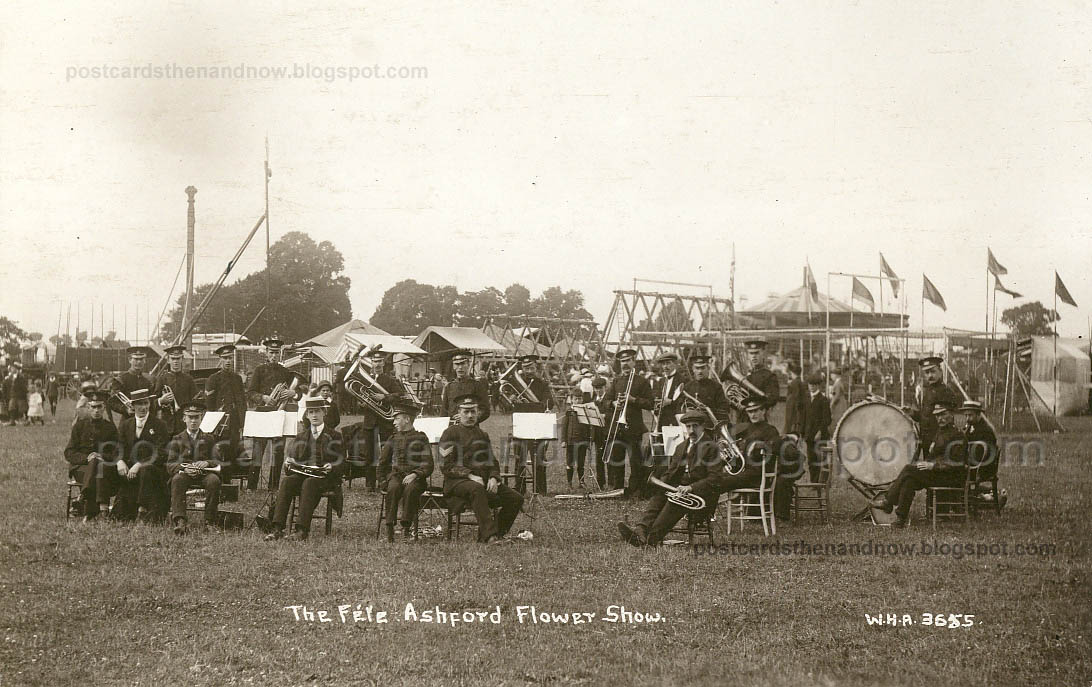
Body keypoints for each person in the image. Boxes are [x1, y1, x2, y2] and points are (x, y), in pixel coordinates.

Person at [617, 408, 724, 546]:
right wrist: (661, 484)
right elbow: (671, 471)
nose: (691, 430)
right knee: (660, 495)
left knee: (676, 500)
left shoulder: (711, 447)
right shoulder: (681, 446)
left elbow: (715, 478)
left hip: (702, 493)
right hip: (680, 488)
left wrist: (691, 487)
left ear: (702, 426)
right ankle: (640, 530)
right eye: (688, 426)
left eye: (695, 426)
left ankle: (650, 539)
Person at [439, 394, 523, 544]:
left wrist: (493, 477)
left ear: (478, 413)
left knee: (516, 498)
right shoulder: (450, 433)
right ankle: (490, 536)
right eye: (466, 412)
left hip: (482, 480)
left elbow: (492, 461)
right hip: (457, 483)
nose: (470, 415)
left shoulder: (482, 434)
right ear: (458, 413)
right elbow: (446, 466)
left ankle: (498, 532)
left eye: (473, 411)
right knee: (476, 489)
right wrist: (470, 476)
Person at [263, 397, 346, 541]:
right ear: (307, 415)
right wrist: (289, 463)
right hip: (303, 475)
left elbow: (343, 463)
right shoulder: (301, 436)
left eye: (317, 412)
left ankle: (301, 530)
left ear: (324, 412)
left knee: (309, 483)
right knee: (287, 481)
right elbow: (291, 467)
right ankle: (277, 528)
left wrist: (332, 467)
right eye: (311, 412)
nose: (314, 415)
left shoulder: (335, 436)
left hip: (325, 479)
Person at [873, 403, 967, 527]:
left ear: (952, 414)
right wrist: (925, 463)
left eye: (943, 414)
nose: (940, 418)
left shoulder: (957, 435)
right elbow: (934, 455)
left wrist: (933, 466)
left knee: (908, 469)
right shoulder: (940, 432)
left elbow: (957, 463)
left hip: (950, 477)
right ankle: (900, 519)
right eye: (937, 416)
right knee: (909, 481)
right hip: (939, 474)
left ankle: (888, 501)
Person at [339, 346, 406, 492]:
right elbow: (360, 396)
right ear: (371, 363)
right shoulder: (364, 379)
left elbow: (400, 395)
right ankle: (370, 484)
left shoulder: (390, 380)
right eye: (375, 361)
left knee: (386, 453)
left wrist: (385, 397)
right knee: (369, 453)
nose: (377, 364)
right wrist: (362, 403)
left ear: (384, 363)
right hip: (369, 422)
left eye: (380, 361)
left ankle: (385, 481)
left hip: (385, 422)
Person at [596, 349, 654, 496]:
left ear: (634, 362)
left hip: (634, 427)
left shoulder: (642, 381)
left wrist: (633, 400)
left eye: (628, 360)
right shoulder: (616, 381)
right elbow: (605, 401)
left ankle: (635, 490)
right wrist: (613, 403)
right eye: (622, 361)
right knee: (616, 460)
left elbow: (650, 403)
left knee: (635, 461)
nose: (625, 364)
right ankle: (618, 489)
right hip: (617, 427)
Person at [378, 398, 433, 542]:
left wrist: (415, 474)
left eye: (397, 419)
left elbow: (428, 464)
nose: (394, 422)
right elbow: (382, 462)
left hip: (416, 478)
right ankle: (390, 528)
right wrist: (382, 481)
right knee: (393, 488)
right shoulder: (393, 438)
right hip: (396, 476)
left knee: (410, 489)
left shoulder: (421, 438)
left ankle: (406, 527)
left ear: (407, 419)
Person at [246, 337, 299, 490]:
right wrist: (263, 397)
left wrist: (293, 393)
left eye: (276, 353)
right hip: (262, 414)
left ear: (280, 353)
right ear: (266, 353)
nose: (274, 356)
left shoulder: (285, 372)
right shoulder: (259, 370)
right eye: (271, 352)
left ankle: (273, 486)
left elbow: (299, 393)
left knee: (278, 451)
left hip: (279, 415)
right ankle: (251, 486)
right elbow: (250, 392)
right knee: (258, 451)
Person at [166, 400, 224, 535]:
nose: (193, 421)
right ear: (184, 419)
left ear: (201, 418)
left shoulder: (209, 438)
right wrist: (184, 468)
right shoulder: (177, 438)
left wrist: (207, 463)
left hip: (205, 474)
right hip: (184, 474)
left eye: (196, 417)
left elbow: (218, 461)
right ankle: (180, 521)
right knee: (177, 480)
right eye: (190, 417)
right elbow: (170, 464)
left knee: (214, 481)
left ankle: (210, 521)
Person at [114, 388, 170, 522]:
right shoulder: (126, 425)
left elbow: (161, 452)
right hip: (130, 469)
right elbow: (118, 447)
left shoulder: (159, 425)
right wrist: (119, 461)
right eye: (140, 404)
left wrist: (139, 464)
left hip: (153, 469)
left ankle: (143, 510)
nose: (144, 407)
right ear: (133, 406)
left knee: (145, 470)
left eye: (146, 403)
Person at [63, 389, 119, 521]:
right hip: (81, 468)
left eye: (99, 407)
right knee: (95, 466)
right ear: (88, 407)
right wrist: (86, 458)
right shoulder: (79, 426)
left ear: (104, 408)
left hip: (103, 467)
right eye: (93, 407)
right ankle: (102, 510)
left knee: (98, 467)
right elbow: (69, 452)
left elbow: (117, 452)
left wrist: (102, 457)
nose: (96, 410)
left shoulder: (110, 428)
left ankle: (84, 500)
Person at [509, 354, 555, 495]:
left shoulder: (542, 384)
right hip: (521, 424)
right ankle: (520, 489)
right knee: (519, 458)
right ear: (522, 368)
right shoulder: (515, 383)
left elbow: (550, 403)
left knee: (539, 458)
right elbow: (506, 405)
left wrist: (535, 405)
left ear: (536, 367)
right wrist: (511, 399)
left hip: (537, 425)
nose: (528, 371)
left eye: (531, 368)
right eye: (525, 368)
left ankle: (540, 490)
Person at [205, 344, 248, 486]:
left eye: (230, 358)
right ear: (220, 359)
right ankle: (219, 482)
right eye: (225, 358)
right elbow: (209, 404)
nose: (228, 361)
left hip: (234, 422)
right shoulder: (213, 379)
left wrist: (243, 423)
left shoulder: (237, 378)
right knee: (219, 452)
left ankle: (228, 484)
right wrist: (213, 424)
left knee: (232, 450)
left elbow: (242, 402)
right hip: (220, 422)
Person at [908, 356, 959, 456]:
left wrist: (936, 441)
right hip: (926, 440)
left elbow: (948, 421)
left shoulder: (946, 392)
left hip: (941, 441)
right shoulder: (925, 392)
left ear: (940, 372)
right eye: (927, 373)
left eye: (933, 371)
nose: (930, 375)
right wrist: (911, 413)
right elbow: (925, 417)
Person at [731, 337, 779, 422]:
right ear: (748, 355)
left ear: (763, 353)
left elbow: (772, 399)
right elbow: (736, 400)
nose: (754, 356)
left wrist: (751, 405)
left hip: (758, 420)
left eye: (757, 353)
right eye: (751, 353)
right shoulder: (744, 375)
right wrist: (734, 402)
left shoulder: (769, 376)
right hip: (742, 420)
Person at [155, 344, 198, 436]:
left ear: (182, 359)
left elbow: (195, 400)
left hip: (184, 424)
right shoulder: (162, 379)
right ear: (168, 360)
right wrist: (161, 400)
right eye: (173, 359)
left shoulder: (189, 379)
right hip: (167, 424)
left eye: (178, 358)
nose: (175, 361)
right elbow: (154, 401)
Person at [442, 349, 491, 421]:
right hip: (452, 426)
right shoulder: (449, 387)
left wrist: (469, 417)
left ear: (468, 364)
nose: (460, 367)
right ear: (453, 366)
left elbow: (485, 410)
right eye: (457, 364)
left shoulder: (477, 386)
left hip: (471, 425)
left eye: (463, 364)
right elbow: (444, 411)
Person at [801, 371, 832, 482]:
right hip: (809, 435)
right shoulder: (806, 398)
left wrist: (820, 431)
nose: (811, 387)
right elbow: (804, 417)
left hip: (820, 436)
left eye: (814, 385)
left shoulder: (823, 400)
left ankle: (823, 482)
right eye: (810, 385)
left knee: (821, 459)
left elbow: (827, 419)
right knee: (811, 460)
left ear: (818, 386)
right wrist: (802, 433)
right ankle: (813, 482)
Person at [682, 355, 730, 424]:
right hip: (692, 425)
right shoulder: (687, 387)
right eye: (697, 368)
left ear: (708, 368)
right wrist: (686, 411)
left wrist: (707, 411)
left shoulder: (716, 387)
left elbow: (724, 409)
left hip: (710, 425)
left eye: (703, 368)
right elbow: (680, 407)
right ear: (693, 369)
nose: (700, 371)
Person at [114, 347, 156, 421]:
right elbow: (113, 401)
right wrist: (126, 409)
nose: (139, 362)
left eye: (141, 359)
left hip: (146, 420)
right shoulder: (121, 379)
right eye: (136, 359)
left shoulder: (148, 380)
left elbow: (152, 402)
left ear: (145, 361)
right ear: (130, 360)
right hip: (128, 420)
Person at [962, 400, 999, 480]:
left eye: (970, 415)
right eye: (966, 415)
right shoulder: (970, 427)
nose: (967, 418)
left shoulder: (985, 431)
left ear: (978, 414)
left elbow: (982, 454)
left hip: (981, 468)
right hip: (972, 465)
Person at [561, 388, 589, 490]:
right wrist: (563, 440)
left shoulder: (586, 411)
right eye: (576, 399)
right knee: (570, 463)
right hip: (571, 441)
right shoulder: (569, 411)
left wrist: (588, 441)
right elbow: (564, 427)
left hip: (582, 441)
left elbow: (588, 427)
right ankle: (569, 483)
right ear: (571, 399)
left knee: (581, 463)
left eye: (580, 399)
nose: (578, 401)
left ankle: (581, 482)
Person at [653, 352, 686, 431]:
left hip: (676, 419)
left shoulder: (682, 380)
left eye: (668, 363)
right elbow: (657, 396)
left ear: (675, 364)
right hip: (662, 419)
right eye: (663, 364)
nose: (665, 366)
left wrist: (671, 402)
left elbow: (685, 400)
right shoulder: (661, 381)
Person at [783, 361, 806, 436]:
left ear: (793, 373)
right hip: (795, 405)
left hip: (792, 405)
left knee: (790, 420)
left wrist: (796, 406)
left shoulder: (795, 382)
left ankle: (788, 434)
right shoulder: (800, 381)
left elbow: (796, 395)